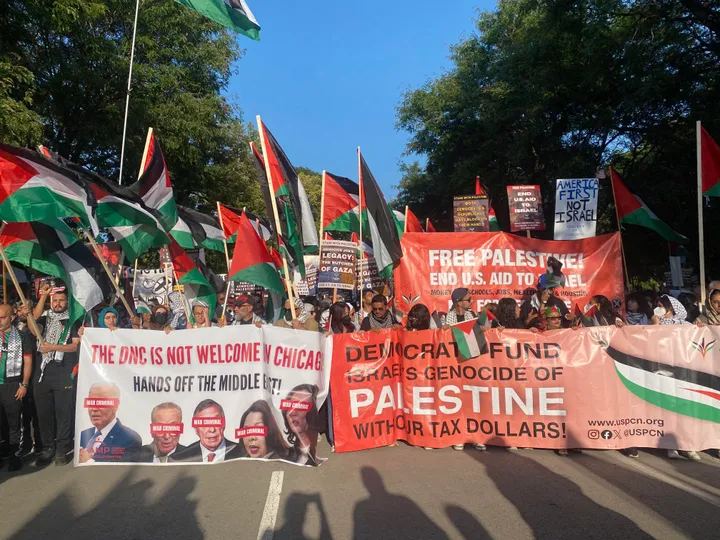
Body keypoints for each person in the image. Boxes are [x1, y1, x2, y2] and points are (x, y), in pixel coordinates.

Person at [32, 285, 82, 466]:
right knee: (44, 412)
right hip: (43, 371)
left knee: (63, 411)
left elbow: (74, 346)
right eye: (55, 300)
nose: (58, 303)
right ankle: (48, 448)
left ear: (67, 302)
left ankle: (62, 448)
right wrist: (43, 296)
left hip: (64, 369)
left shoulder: (73, 319)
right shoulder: (45, 318)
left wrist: (52, 347)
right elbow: (32, 321)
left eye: (61, 300)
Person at [0, 304, 34, 470]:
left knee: (14, 422)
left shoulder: (22, 335)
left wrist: (24, 384)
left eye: (2, 317)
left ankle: (15, 454)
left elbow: (28, 361)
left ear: (11, 317)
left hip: (13, 383)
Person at [78, 383, 142, 463]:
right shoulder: (83, 435)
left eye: (101, 402)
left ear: (115, 406)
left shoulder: (131, 439)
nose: (94, 408)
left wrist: (88, 462)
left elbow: (122, 472)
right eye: (91, 402)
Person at [170, 399, 236, 463]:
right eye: (204, 424)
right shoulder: (180, 459)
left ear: (224, 424)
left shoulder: (242, 453)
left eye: (216, 421)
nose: (212, 430)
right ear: (196, 429)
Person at [282, 384, 321, 466]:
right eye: (290, 406)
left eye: (301, 406)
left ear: (313, 413)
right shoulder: (287, 455)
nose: (293, 412)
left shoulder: (322, 451)